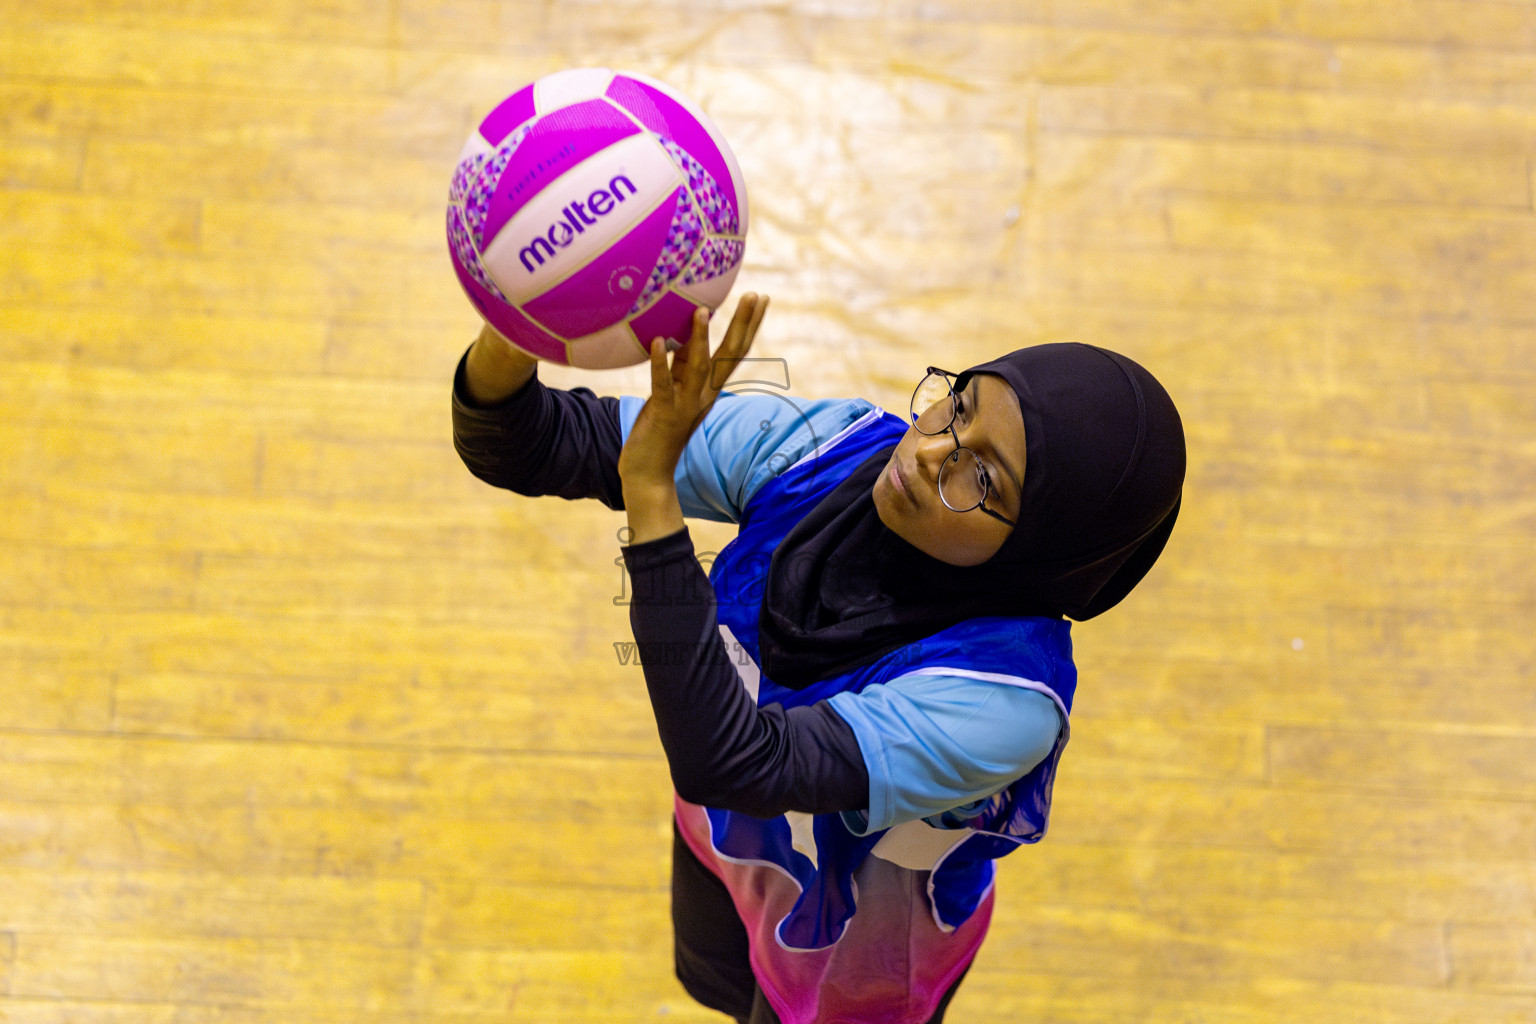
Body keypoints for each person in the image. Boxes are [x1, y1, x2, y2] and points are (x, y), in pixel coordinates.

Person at [451, 294, 1186, 1024]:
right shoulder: (828, 448)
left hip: (857, 952)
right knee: (719, 987)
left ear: (1047, 549)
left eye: (983, 478)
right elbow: (523, 440)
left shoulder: (1006, 699)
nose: (928, 452)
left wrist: (651, 490)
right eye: (958, 407)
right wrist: (523, 313)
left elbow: (737, 764)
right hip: (729, 844)